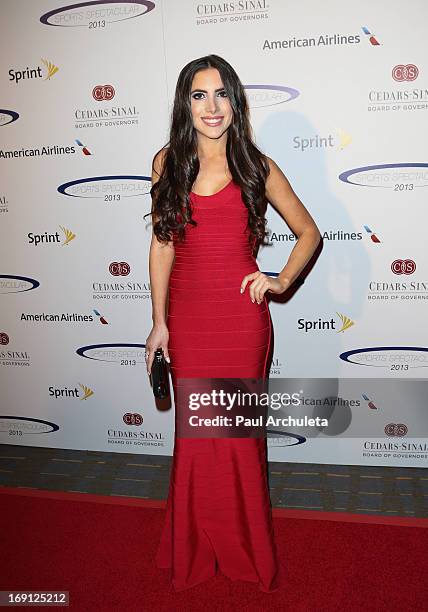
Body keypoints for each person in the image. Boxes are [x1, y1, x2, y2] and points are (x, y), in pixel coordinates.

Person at [145, 54, 321, 592]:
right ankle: (194, 548)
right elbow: (161, 245)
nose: (212, 107)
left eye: (222, 94)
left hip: (241, 325)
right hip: (190, 321)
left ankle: (246, 552)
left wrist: (280, 281)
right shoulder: (167, 163)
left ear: (235, 102)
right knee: (195, 438)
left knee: (238, 440)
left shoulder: (256, 166)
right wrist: (158, 323)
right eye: (199, 95)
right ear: (186, 105)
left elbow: (309, 233)